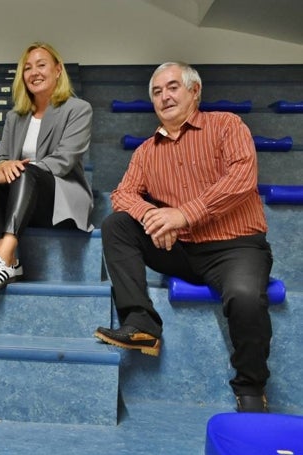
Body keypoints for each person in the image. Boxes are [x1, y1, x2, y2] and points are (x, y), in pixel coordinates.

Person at [94, 62, 273, 413]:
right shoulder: (146, 151)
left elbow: (241, 179)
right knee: (116, 224)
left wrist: (183, 214)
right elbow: (123, 194)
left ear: (195, 92)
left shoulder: (226, 125)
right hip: (180, 249)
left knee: (245, 297)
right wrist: (153, 217)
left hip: (235, 247)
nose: (164, 96)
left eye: (173, 87)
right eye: (157, 92)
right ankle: (141, 322)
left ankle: (250, 388)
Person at [0, 42, 93, 292]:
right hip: (21, 198)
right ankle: (8, 259)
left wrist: (12, 171)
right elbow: (0, 157)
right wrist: (3, 166)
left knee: (26, 172)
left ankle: (1, 258)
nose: (34, 72)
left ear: (58, 70)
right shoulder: (15, 116)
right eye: (27, 68)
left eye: (41, 65)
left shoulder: (78, 109)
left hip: (57, 200)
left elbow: (64, 160)